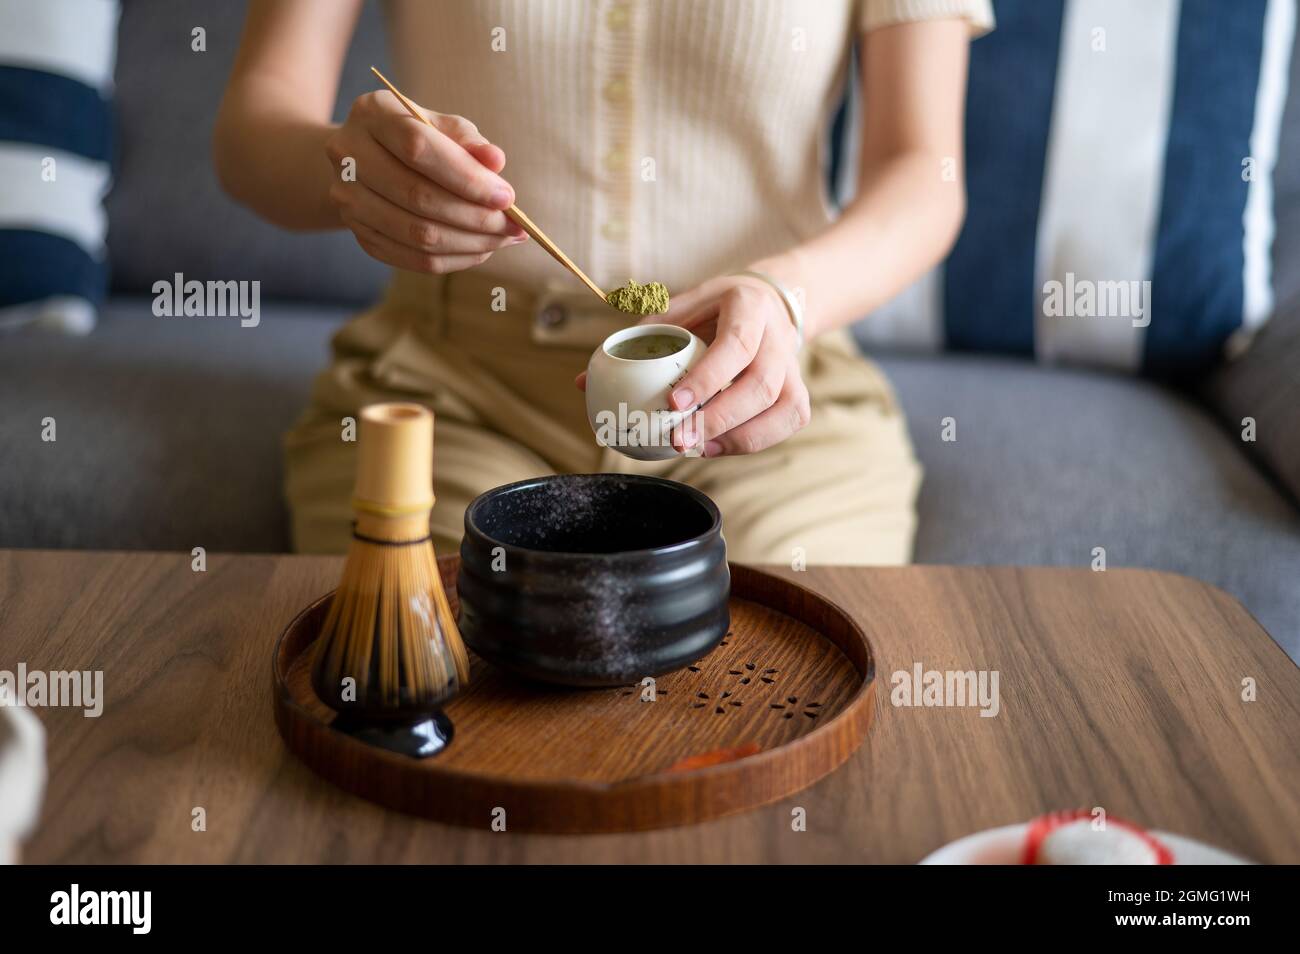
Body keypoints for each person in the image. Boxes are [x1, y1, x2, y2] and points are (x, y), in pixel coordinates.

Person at [215, 0, 994, 563]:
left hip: (763, 396)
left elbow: (925, 171)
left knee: (784, 677)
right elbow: (252, 132)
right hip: (454, 391)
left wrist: (785, 295)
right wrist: (352, 170)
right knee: (436, 671)